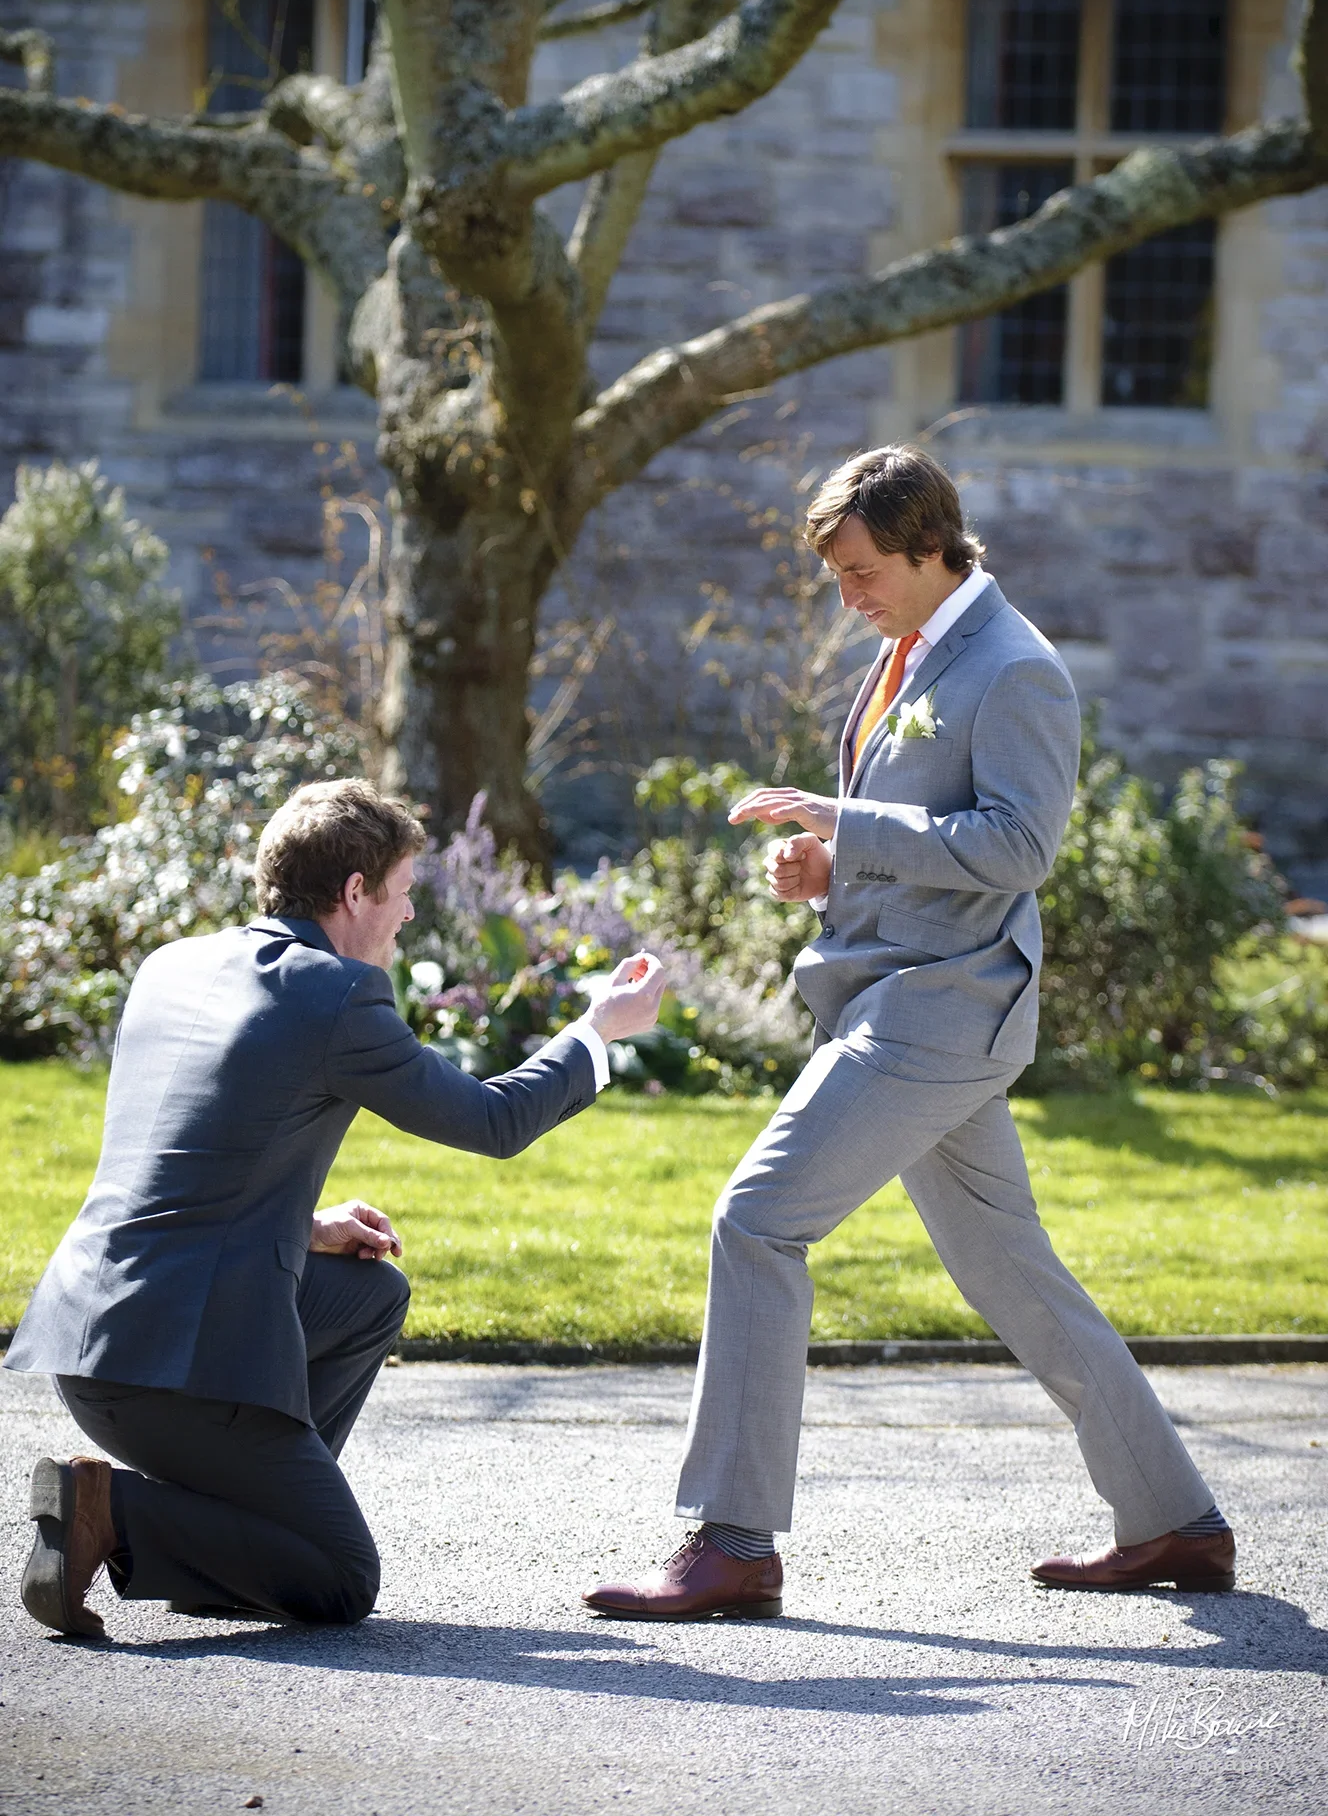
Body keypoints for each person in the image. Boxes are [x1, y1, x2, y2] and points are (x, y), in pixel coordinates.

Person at [584, 445, 1234, 1624]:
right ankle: (1176, 1524)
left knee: (757, 1217)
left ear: (932, 547)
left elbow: (1016, 850)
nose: (848, 595)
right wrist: (830, 866)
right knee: (1014, 1274)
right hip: (910, 995)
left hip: (941, 1010)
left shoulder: (1015, 669)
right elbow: (927, 838)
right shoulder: (913, 650)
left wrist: (847, 821)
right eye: (837, 575)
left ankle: (732, 1542)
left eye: (861, 569)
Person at [8, 777, 665, 1638]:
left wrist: (305, 1226)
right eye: (400, 895)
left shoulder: (174, 965)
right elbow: (494, 1121)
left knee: (368, 1295)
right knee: (341, 1578)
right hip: (175, 1365)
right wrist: (595, 1030)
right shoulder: (336, 996)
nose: (406, 919)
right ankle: (112, 1512)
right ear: (355, 892)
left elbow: (180, 1158)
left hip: (88, 1338)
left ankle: (235, 1549)